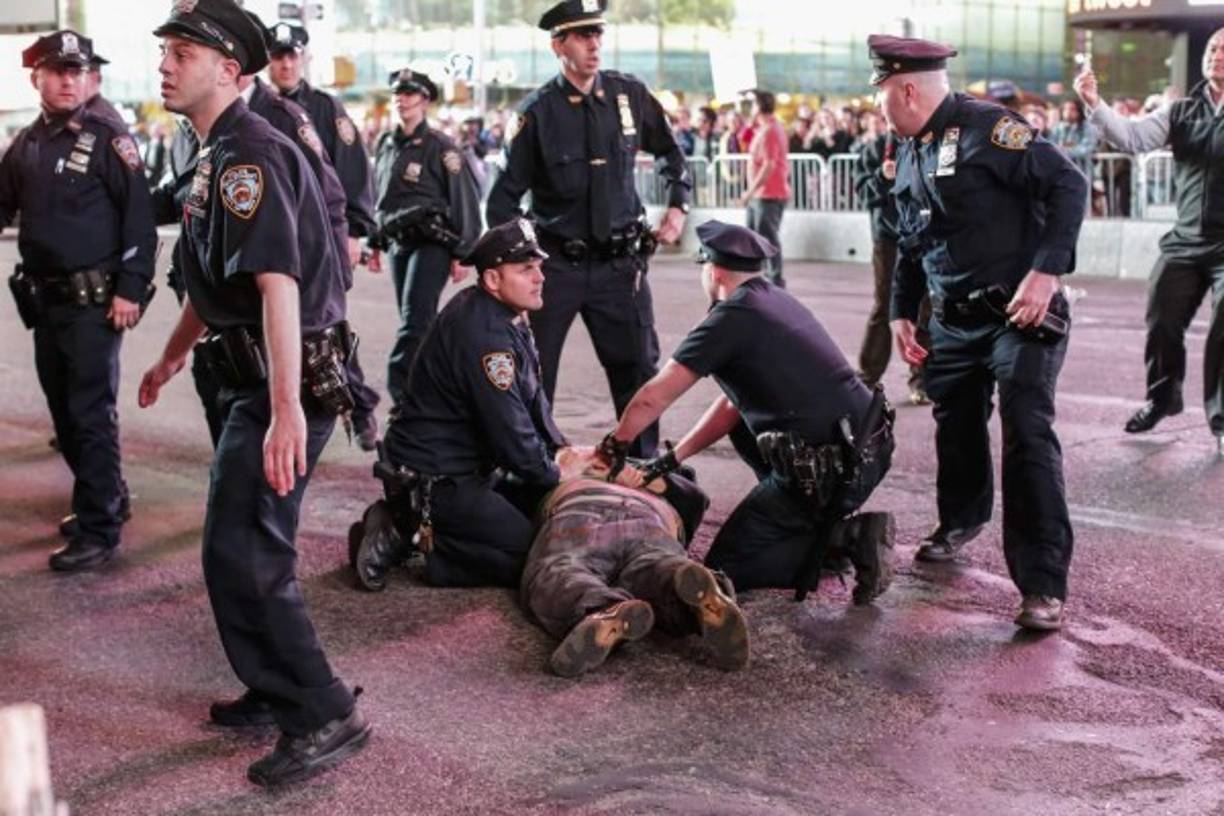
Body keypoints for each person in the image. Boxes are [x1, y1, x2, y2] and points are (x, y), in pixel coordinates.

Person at [138, 0, 368, 786]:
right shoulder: (213, 153)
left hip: (285, 376)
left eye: (183, 53)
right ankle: (275, 689)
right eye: (165, 50)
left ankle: (323, 710)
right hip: (250, 372)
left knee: (246, 548)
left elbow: (278, 286)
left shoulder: (247, 158)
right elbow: (215, 282)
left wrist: (283, 409)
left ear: (229, 70)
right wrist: (171, 358)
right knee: (236, 542)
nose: (165, 64)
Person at [875, 34, 1088, 631]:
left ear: (908, 88)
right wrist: (900, 310)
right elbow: (913, 239)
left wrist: (1047, 272)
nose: (878, 107)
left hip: (1018, 314)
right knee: (956, 422)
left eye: (882, 94)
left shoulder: (990, 129)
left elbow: (1069, 185)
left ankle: (1043, 584)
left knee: (1027, 431)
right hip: (952, 319)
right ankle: (962, 519)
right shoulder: (911, 148)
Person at [597, 221, 896, 601]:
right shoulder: (771, 298)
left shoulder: (730, 318)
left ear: (715, 271)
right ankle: (819, 529)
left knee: (726, 569)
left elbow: (651, 398)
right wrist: (670, 459)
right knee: (742, 427)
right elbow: (732, 406)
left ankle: (846, 539)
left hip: (831, 473)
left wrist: (612, 449)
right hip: (865, 449)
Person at [485, 0, 691, 459]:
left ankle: (641, 473)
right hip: (555, 267)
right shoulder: (536, 114)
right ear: (558, 45)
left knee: (637, 373)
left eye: (597, 33)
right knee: (534, 376)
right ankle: (532, 473)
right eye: (581, 36)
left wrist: (678, 206)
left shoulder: (629, 96)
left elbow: (672, 155)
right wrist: (517, 265)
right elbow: (501, 200)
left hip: (621, 268)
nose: (594, 43)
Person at [0, 30, 156, 571]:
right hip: (48, 305)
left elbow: (140, 218)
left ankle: (100, 527)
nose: (69, 79)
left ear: (94, 77)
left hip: (95, 303)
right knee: (66, 416)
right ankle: (105, 494)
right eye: (57, 70)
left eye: (78, 71)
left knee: (90, 415)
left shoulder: (110, 137)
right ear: (36, 77)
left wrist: (131, 288)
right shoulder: (29, 143)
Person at [352, 219, 577, 592]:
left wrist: (561, 451)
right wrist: (555, 473)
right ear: (492, 280)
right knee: (537, 559)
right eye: (525, 269)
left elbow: (531, 404)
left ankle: (418, 527)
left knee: (544, 523)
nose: (540, 277)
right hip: (437, 482)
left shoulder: (501, 313)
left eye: (538, 267)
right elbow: (510, 432)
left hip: (469, 469)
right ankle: (411, 535)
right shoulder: (485, 334)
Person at [1075, 29, 1224, 450]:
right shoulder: (1181, 111)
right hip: (1186, 239)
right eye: (1213, 48)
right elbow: (1132, 138)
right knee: (1161, 317)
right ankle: (1162, 400)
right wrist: (1094, 103)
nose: (1216, 56)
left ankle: (1222, 420)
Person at [523, 448, 750, 678]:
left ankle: (602, 609)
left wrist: (561, 471)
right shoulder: (643, 471)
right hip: (648, 519)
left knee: (560, 569)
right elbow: (695, 499)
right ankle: (689, 592)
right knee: (656, 565)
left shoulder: (554, 471)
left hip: (582, 509)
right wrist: (659, 484)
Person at [265, 22, 381, 446]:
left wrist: (355, 232)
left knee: (327, 329)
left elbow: (353, 172)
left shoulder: (327, 109)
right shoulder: (256, 108)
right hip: (275, 241)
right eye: (278, 57)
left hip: (320, 244)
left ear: (304, 58)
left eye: (293, 55)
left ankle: (361, 408)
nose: (286, 64)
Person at [366, 68, 481, 405]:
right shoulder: (387, 143)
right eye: (398, 94)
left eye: (410, 94)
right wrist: (375, 241)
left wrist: (463, 250)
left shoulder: (441, 147)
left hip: (432, 243)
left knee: (415, 320)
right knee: (415, 321)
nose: (402, 100)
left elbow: (464, 199)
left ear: (425, 101)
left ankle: (403, 395)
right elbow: (381, 198)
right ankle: (438, 388)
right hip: (399, 242)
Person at [853, 125, 929, 404]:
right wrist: (881, 177)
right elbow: (862, 193)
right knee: (884, 304)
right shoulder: (874, 149)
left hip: (923, 235)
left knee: (925, 308)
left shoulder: (928, 142)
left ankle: (921, 379)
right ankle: (867, 376)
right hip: (887, 237)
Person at [739, 89, 789, 287]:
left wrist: (749, 191)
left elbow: (769, 165)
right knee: (756, 237)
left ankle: (775, 280)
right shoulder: (767, 128)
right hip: (762, 194)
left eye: (752, 105)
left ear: (758, 107)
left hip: (768, 194)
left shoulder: (770, 131)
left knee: (766, 239)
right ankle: (760, 278)